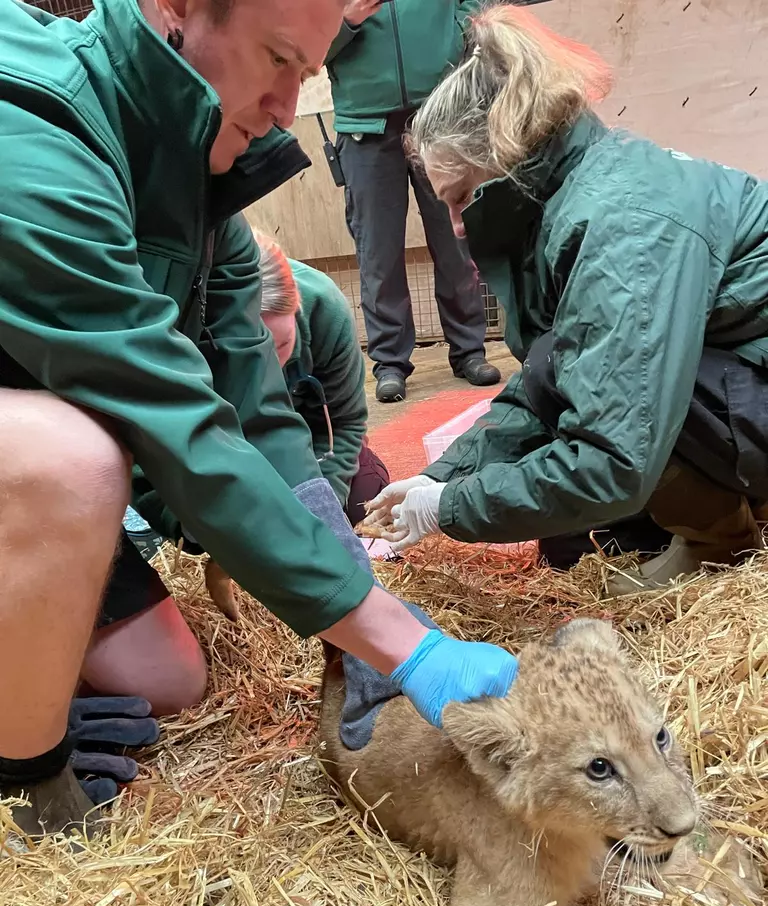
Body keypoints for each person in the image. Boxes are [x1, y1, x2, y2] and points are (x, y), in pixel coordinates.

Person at [0, 0, 519, 840]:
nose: (288, 107)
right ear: (171, 8)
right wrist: (404, 645)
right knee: (72, 461)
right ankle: (26, 775)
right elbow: (168, 415)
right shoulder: (28, 130)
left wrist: (354, 591)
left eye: (306, 75)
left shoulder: (208, 202)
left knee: (166, 680)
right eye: (277, 59)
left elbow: (257, 415)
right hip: (34, 464)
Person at [362, 2, 768, 594]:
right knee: (570, 540)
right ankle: (732, 505)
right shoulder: (577, 190)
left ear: (504, 161)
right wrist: (441, 479)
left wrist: (450, 507)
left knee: (571, 385)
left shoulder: (620, 221)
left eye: (460, 198)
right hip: (747, 375)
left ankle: (720, 544)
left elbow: (611, 453)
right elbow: (541, 388)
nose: (453, 226)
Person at [324, 0, 502, 403]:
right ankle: (389, 362)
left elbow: (474, 7)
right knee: (378, 253)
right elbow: (307, 47)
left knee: (455, 241)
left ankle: (470, 350)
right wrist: (345, 22)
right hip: (363, 127)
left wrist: (457, 36)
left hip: (441, 114)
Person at [254, 231, 390, 525]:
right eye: (257, 356)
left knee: (366, 503)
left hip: (311, 446)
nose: (273, 368)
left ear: (297, 307)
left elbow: (346, 423)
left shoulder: (324, 308)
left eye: (282, 345)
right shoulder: (182, 323)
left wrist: (325, 509)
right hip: (238, 456)